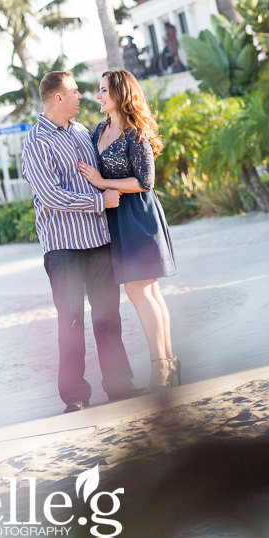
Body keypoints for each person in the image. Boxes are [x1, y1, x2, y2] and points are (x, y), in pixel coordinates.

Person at [21, 71, 145, 413]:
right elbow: (50, 196)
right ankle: (74, 396)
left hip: (98, 241)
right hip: (63, 248)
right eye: (75, 92)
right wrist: (98, 202)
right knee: (71, 322)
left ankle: (119, 386)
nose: (81, 97)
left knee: (109, 319)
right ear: (58, 97)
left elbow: (100, 177)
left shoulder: (81, 132)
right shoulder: (36, 142)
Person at [77, 69, 180, 390]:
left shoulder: (135, 132)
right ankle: (169, 363)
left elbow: (145, 181)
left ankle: (161, 367)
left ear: (120, 93)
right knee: (148, 292)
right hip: (117, 219)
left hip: (138, 216)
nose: (98, 95)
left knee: (142, 292)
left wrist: (102, 182)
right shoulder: (99, 129)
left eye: (104, 90)